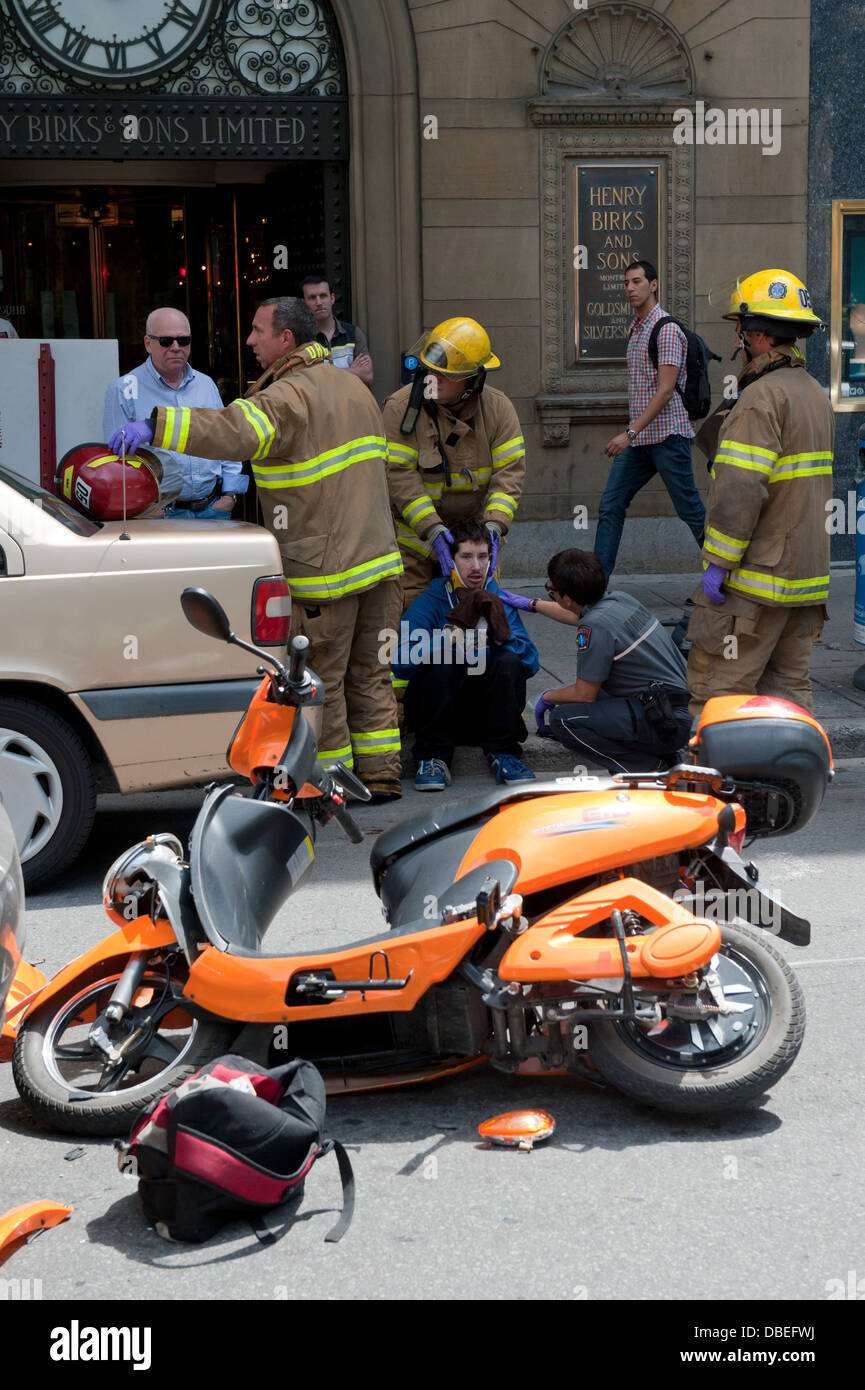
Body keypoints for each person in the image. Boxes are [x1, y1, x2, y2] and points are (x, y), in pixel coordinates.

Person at [108, 296, 403, 800]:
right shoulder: (352, 388)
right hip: (379, 562)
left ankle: (327, 785)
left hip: (324, 571)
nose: (249, 341)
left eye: (257, 331)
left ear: (286, 339)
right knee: (371, 673)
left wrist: (155, 426)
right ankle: (381, 774)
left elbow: (232, 432)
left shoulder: (289, 397)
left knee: (320, 682)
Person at [686, 268, 833, 718]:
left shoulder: (759, 398)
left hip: (754, 586)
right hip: (803, 584)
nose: (738, 338)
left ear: (762, 337)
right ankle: (790, 786)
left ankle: (712, 787)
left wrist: (718, 563)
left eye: (742, 329)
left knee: (718, 695)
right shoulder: (814, 393)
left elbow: (739, 491)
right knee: (788, 700)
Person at [500, 549, 691, 773]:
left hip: (666, 722)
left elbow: (584, 693)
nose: (551, 593)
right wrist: (532, 604)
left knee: (565, 719)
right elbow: (576, 614)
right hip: (677, 707)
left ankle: (645, 770)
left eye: (552, 590)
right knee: (590, 697)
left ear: (568, 598)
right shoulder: (620, 599)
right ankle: (663, 755)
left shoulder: (593, 628)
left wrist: (547, 697)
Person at [383, 317, 525, 606]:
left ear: (474, 380)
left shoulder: (499, 410)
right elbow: (399, 477)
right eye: (429, 370)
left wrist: (494, 527)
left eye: (445, 375)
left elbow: (509, 476)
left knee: (482, 623)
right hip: (415, 544)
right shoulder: (400, 409)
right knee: (413, 624)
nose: (432, 380)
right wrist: (433, 530)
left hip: (472, 544)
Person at [392, 519, 538, 791]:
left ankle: (503, 753)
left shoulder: (495, 598)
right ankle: (432, 758)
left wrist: (501, 638)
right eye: (467, 557)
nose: (476, 567)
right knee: (442, 661)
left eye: (483, 557)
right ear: (450, 560)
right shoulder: (431, 600)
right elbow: (399, 661)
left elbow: (530, 662)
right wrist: (446, 639)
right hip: (439, 716)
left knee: (507, 661)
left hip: (486, 717)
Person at [593, 260, 705, 577]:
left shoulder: (666, 329)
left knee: (691, 511)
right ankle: (594, 587)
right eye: (627, 282)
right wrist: (634, 436)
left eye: (637, 281)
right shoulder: (637, 328)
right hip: (642, 441)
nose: (630, 288)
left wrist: (628, 433)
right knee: (610, 505)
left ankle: (724, 579)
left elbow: (666, 390)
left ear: (653, 285)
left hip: (668, 437)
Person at [103, 307, 246, 519]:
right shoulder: (123, 389)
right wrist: (146, 509)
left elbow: (226, 440)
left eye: (184, 340)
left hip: (213, 510)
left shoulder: (205, 384)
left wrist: (230, 495)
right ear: (148, 344)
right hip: (160, 515)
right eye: (166, 341)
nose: (176, 347)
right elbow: (117, 462)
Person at [301, 274, 373, 387]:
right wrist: (351, 370)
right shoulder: (302, 339)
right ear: (304, 303)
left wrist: (322, 374)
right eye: (312, 297)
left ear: (332, 298)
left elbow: (367, 375)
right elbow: (303, 380)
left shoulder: (353, 333)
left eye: (323, 296)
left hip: (350, 403)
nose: (319, 302)